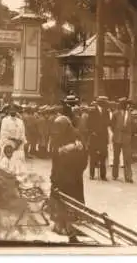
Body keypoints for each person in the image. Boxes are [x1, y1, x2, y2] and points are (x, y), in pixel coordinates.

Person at [49, 95, 88, 242]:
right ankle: (61, 225)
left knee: (72, 200)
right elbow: (55, 152)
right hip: (60, 174)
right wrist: (65, 150)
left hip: (72, 175)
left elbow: (82, 152)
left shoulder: (75, 134)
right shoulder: (59, 134)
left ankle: (72, 226)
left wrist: (69, 151)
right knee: (60, 200)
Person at [0, 103, 27, 177]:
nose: (12, 111)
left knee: (18, 162)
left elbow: (22, 133)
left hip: (19, 145)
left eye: (14, 109)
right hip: (8, 145)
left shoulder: (20, 121)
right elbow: (3, 134)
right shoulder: (5, 120)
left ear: (17, 111)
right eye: (11, 109)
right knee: (7, 163)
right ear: (8, 110)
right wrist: (12, 143)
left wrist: (19, 142)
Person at [87, 96, 111, 180]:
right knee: (93, 157)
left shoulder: (106, 111)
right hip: (94, 137)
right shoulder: (92, 111)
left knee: (103, 157)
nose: (105, 104)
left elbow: (108, 122)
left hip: (103, 137)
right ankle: (92, 174)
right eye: (104, 102)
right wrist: (92, 132)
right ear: (100, 102)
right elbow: (88, 123)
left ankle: (103, 175)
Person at [111, 98, 134, 183]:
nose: (126, 106)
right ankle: (115, 175)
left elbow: (132, 126)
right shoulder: (115, 114)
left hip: (126, 139)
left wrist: (129, 135)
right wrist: (117, 132)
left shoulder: (130, 114)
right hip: (117, 138)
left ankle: (128, 176)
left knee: (127, 158)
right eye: (125, 104)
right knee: (116, 158)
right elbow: (112, 125)